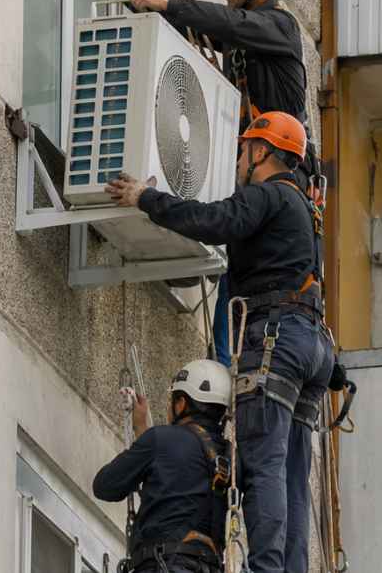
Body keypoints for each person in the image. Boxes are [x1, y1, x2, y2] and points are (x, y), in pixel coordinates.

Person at [104, 111, 336, 573]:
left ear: (262, 152)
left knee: (265, 464)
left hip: (277, 337)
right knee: (293, 474)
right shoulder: (304, 212)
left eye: (244, 150)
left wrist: (146, 198)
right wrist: (337, 370)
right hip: (311, 345)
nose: (239, 161)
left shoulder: (268, 195)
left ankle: (267, 569)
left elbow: (215, 221)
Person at [98, 0, 316, 367]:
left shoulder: (280, 28)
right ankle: (225, 359)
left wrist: (164, 0)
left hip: (281, 171)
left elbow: (228, 23)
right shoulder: (247, 35)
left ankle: (229, 361)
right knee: (235, 258)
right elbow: (196, 28)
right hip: (254, 169)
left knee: (240, 259)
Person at [94, 359, 233, 573]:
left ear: (182, 404)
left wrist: (144, 442)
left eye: (172, 400)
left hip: (164, 564)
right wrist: (142, 431)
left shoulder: (160, 439)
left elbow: (105, 485)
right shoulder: (228, 459)